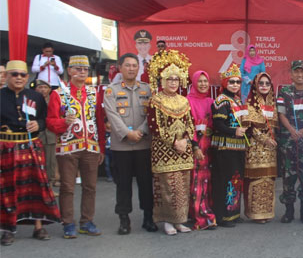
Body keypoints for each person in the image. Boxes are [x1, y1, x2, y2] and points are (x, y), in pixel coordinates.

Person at [0, 60, 61, 246]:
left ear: (27, 77)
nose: (19, 78)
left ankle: (38, 226)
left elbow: (44, 119)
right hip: (7, 148)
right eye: (14, 74)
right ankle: (8, 229)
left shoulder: (35, 96)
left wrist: (38, 124)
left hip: (31, 146)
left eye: (22, 75)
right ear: (7, 76)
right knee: (7, 190)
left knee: (36, 187)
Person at [46, 55, 106, 238]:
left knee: (90, 187)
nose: (82, 72)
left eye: (85, 69)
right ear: (69, 70)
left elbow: (99, 121)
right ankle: (68, 223)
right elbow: (50, 122)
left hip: (91, 146)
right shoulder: (58, 94)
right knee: (67, 187)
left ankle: (86, 221)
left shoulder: (94, 93)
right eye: (78, 69)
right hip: (67, 147)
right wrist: (63, 122)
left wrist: (101, 147)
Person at [103, 53, 156, 235]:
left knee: (145, 183)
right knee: (123, 184)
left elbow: (152, 114)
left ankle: (148, 217)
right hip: (122, 146)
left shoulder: (147, 89)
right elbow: (112, 115)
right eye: (128, 65)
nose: (131, 69)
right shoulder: (111, 91)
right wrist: (127, 134)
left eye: (134, 65)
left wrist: (140, 132)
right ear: (120, 67)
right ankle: (124, 219)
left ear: (138, 68)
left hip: (143, 144)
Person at [147, 51, 195, 236]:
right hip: (164, 151)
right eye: (169, 79)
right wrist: (174, 142)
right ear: (162, 80)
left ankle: (180, 221)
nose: (173, 82)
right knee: (168, 186)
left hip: (183, 150)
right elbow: (155, 127)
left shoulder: (184, 101)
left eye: (176, 79)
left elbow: (190, 124)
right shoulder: (156, 100)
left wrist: (185, 140)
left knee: (182, 186)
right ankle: (168, 221)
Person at [277, 60, 303, 224]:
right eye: (296, 71)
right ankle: (289, 210)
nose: (300, 75)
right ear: (291, 74)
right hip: (288, 140)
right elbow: (281, 114)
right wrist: (292, 130)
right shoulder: (284, 92)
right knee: (288, 176)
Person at [211, 63, 248, 227]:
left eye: (238, 82)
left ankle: (234, 214)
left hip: (238, 147)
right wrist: (235, 131)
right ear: (225, 83)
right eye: (231, 82)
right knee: (225, 181)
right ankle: (223, 216)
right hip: (225, 147)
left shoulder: (238, 100)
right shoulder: (221, 101)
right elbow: (218, 124)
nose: (235, 85)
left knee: (236, 180)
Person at [243, 72, 278, 223]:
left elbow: (275, 126)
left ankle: (266, 212)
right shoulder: (249, 104)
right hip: (255, 149)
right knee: (255, 179)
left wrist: (271, 141)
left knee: (268, 179)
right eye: (261, 83)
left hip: (270, 150)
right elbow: (250, 128)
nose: (264, 86)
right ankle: (255, 214)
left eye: (267, 84)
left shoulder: (273, 104)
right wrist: (265, 139)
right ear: (255, 86)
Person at [187, 70, 217, 230]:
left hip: (210, 146)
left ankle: (206, 211)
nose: (203, 84)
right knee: (196, 181)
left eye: (206, 81)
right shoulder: (187, 101)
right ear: (194, 82)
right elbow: (187, 126)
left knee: (208, 182)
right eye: (200, 81)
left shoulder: (211, 102)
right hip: (196, 146)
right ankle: (201, 216)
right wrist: (195, 146)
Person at [34, 79, 58, 189]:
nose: (43, 90)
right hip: (37, 136)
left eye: (45, 87)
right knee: (36, 162)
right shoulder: (32, 101)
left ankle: (50, 186)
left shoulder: (53, 100)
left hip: (50, 135)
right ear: (35, 89)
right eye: (40, 87)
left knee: (50, 162)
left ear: (49, 89)